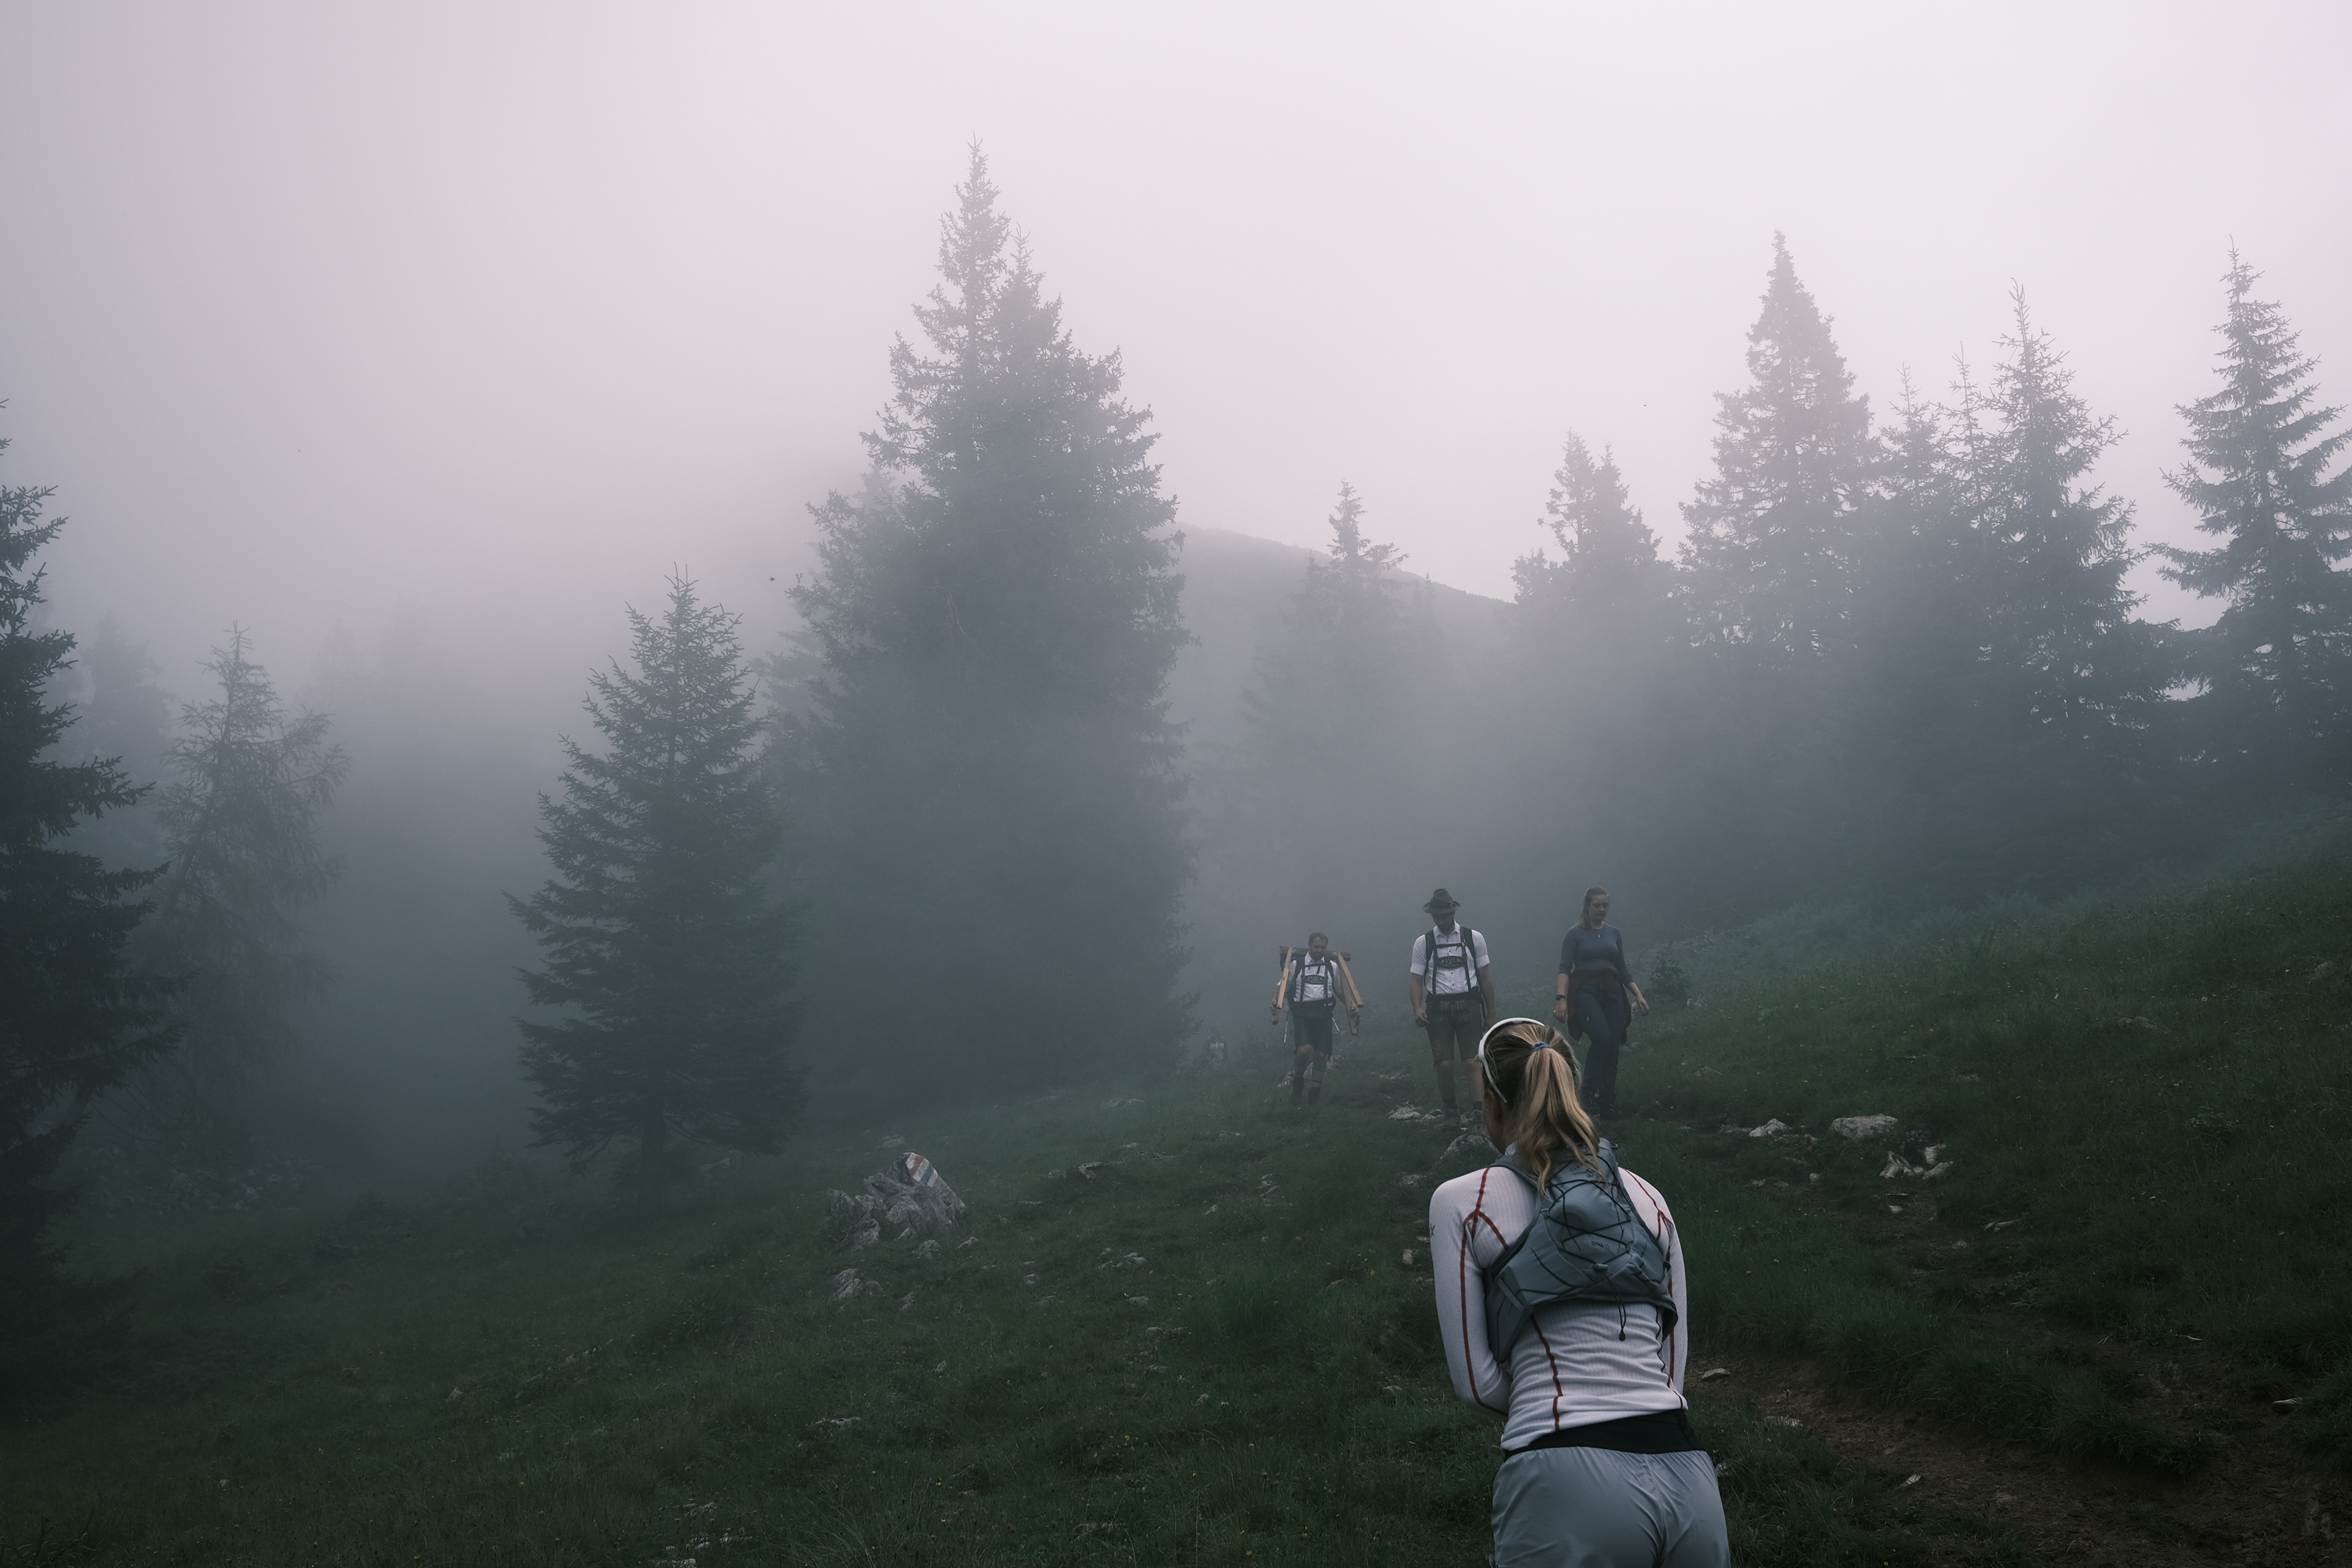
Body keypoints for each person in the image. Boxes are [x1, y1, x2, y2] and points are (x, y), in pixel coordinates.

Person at [1430, 1017, 1727, 1567]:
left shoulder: (1463, 1201)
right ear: (1571, 1087)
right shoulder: (1649, 1198)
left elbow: (1477, 1385)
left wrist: (1545, 1404)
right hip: (1688, 1477)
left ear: (1493, 1103)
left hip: (1564, 1477)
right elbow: (1670, 1371)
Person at [1554, 886, 1648, 1118]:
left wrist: (1638, 994)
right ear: (1587, 906)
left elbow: (1622, 967)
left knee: (1614, 1043)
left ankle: (1607, 1102)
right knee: (1602, 1038)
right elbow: (1565, 968)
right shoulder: (1574, 934)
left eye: (1605, 905)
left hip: (1612, 989)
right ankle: (1586, 1094)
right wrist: (1561, 998)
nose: (1602, 909)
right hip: (1586, 990)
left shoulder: (1614, 933)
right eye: (1597, 905)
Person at [1408, 889, 1494, 1125]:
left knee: (1472, 1061)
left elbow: (1485, 977)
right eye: (1437, 916)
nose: (1442, 920)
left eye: (1445, 915)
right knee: (1444, 1064)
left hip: (1469, 1005)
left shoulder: (1474, 938)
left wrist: (1491, 1013)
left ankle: (1479, 1114)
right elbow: (1416, 980)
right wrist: (1417, 1007)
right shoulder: (1424, 943)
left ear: (1453, 912)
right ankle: (1451, 1112)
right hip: (1438, 1009)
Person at [1273, 932, 1355, 1106]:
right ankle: (1298, 1081)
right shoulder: (1297, 964)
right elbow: (1282, 986)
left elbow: (1341, 991)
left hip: (1324, 1013)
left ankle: (1315, 1092)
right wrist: (1275, 1001)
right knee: (1304, 1050)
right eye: (1316, 947)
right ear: (1309, 945)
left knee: (1321, 1055)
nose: (1319, 950)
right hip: (1302, 1013)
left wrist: (1351, 1005)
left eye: (1323, 948)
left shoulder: (1332, 966)